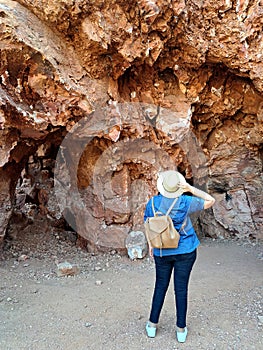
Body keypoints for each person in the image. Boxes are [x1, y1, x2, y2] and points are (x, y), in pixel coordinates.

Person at [144, 170, 215, 343]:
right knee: (181, 289)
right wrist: (189, 188)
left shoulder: (152, 203)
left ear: (162, 187)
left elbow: (147, 224)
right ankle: (180, 330)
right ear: (178, 188)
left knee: (160, 286)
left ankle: (152, 325)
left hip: (162, 250)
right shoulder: (185, 201)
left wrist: (151, 245)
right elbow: (210, 200)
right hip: (185, 250)